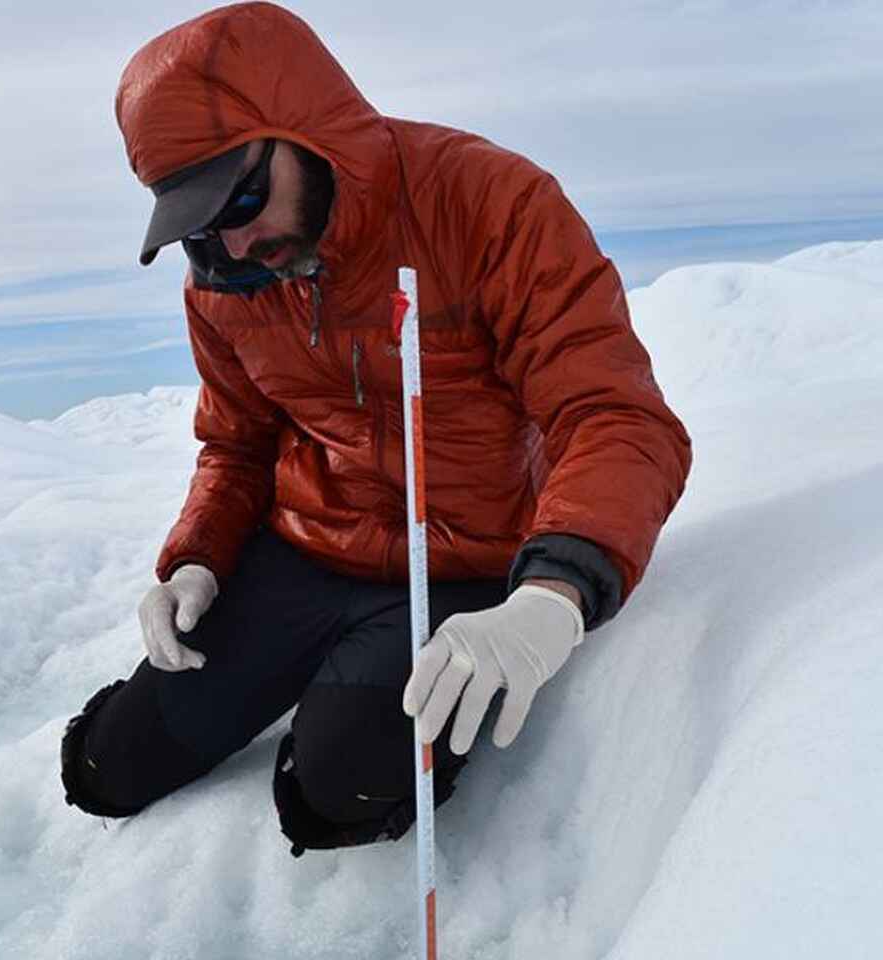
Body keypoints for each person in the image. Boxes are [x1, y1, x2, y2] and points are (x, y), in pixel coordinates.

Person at [60, 1, 692, 856]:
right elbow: (237, 441)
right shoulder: (222, 280)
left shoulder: (487, 202)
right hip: (309, 548)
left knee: (337, 789)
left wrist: (554, 594)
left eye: (242, 196)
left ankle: (348, 715)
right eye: (201, 220)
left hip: (466, 560)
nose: (236, 241)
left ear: (310, 128)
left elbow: (613, 414)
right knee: (107, 769)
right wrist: (197, 561)